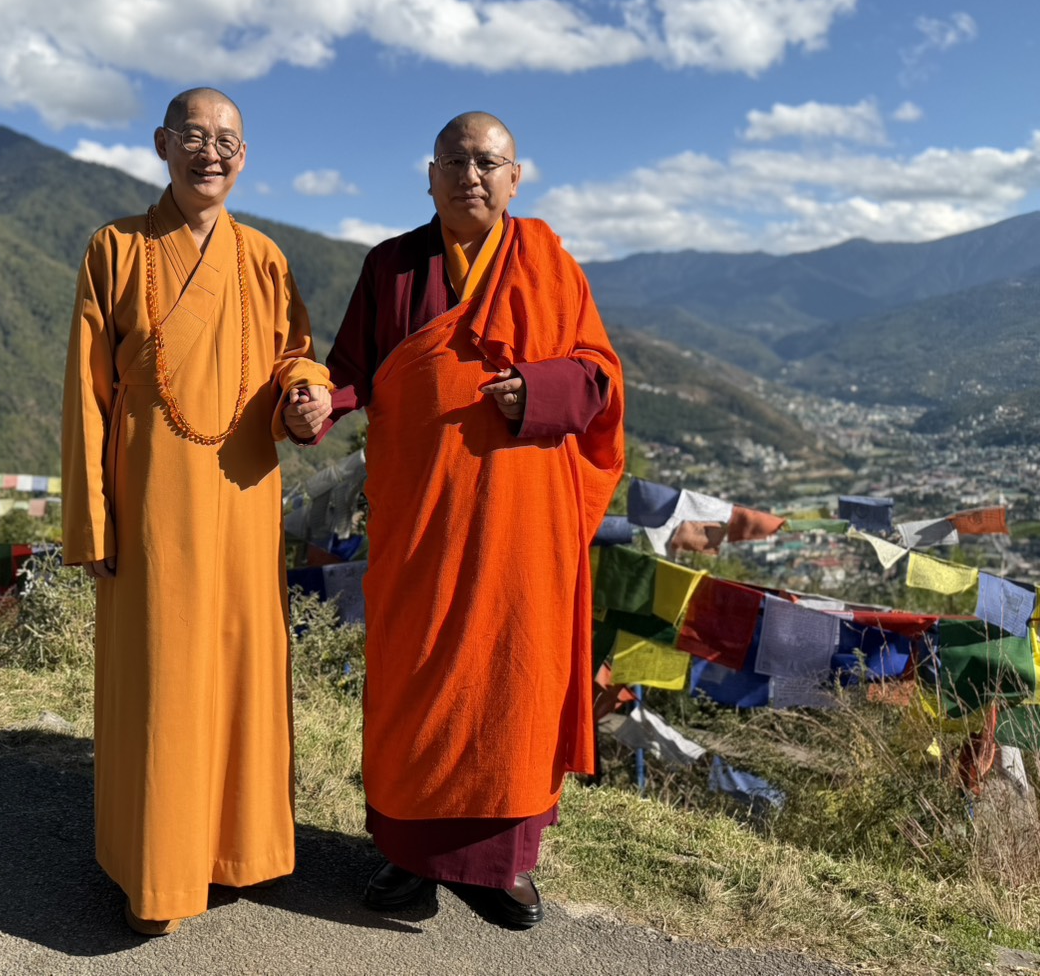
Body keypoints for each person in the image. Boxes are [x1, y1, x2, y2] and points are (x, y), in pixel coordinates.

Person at [323, 112, 624, 929]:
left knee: (510, 683)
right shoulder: (391, 267)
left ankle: (500, 865)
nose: (471, 175)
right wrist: (320, 400)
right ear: (429, 176)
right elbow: (353, 371)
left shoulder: (549, 265)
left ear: (515, 177)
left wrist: (541, 391)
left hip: (521, 525)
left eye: (488, 162)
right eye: (454, 161)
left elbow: (598, 377)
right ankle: (407, 861)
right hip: (421, 521)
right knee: (414, 679)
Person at [61, 88, 333, 936]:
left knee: (241, 668)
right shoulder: (116, 248)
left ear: (243, 156)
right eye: (194, 137)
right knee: (164, 682)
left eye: (227, 140)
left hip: (245, 494)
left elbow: (297, 356)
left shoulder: (263, 257)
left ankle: (237, 852)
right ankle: (159, 874)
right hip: (150, 500)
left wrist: (306, 396)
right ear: (161, 145)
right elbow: (86, 395)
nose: (209, 152)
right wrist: (94, 522)